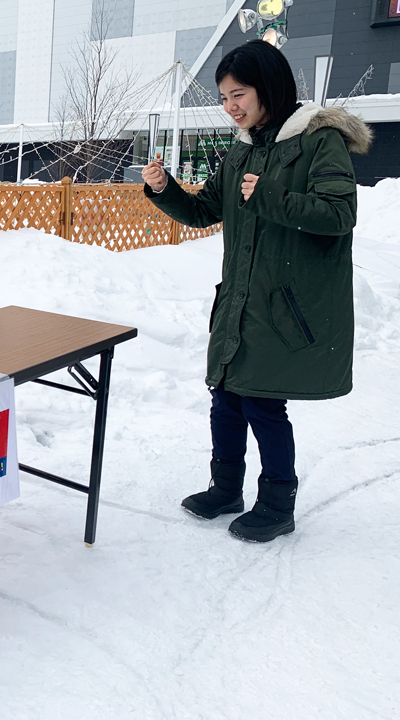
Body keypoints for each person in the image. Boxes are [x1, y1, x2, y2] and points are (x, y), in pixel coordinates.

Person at [142, 40, 370, 542]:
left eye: (238, 94)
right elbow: (206, 212)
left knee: (263, 404)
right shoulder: (242, 148)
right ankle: (226, 489)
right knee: (225, 399)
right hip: (240, 300)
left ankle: (276, 504)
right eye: (224, 98)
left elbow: (339, 215)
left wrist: (269, 195)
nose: (231, 107)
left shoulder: (318, 141)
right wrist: (165, 189)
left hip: (283, 302)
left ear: (268, 86)